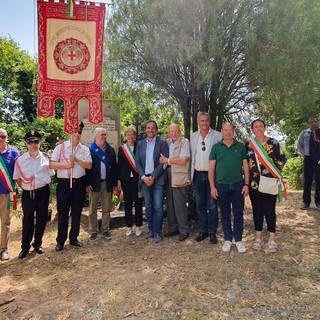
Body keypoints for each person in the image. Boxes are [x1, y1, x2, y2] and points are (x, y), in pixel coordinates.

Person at [50, 123, 92, 251]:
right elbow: (51, 164)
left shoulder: (84, 149)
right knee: (63, 213)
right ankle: (60, 241)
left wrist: (77, 160)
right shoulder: (61, 147)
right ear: (70, 132)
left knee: (77, 212)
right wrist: (67, 165)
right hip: (64, 183)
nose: (77, 134)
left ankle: (74, 238)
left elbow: (89, 165)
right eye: (75, 131)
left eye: (79, 132)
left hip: (78, 184)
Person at [246, 119, 286, 253]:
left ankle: (272, 239)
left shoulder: (274, 143)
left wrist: (275, 174)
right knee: (257, 210)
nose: (258, 128)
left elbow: (282, 159)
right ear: (252, 130)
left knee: (270, 210)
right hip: (254, 184)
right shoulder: (249, 144)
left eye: (260, 126)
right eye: (255, 127)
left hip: (270, 182)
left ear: (264, 127)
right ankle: (258, 238)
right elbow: (245, 162)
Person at [208, 123, 249, 253]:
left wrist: (246, 184)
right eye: (225, 130)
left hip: (238, 185)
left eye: (230, 130)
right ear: (222, 131)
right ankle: (227, 239)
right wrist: (212, 187)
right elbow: (211, 169)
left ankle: (238, 240)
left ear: (233, 131)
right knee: (225, 214)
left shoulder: (241, 147)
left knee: (238, 214)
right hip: (221, 185)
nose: (227, 132)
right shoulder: (216, 148)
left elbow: (246, 167)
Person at [13, 130, 54, 259]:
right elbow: (17, 178)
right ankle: (25, 247)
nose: (33, 144)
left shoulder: (46, 158)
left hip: (43, 192)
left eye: (36, 141)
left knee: (42, 219)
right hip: (28, 193)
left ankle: (37, 244)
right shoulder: (20, 160)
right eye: (30, 142)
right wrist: (26, 188)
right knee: (28, 220)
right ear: (26, 144)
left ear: (40, 143)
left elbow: (51, 174)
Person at [190, 112, 222, 244]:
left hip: (212, 176)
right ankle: (203, 231)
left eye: (206, 120)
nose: (204, 123)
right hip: (197, 175)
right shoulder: (193, 137)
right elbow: (192, 156)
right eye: (202, 121)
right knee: (200, 204)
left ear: (210, 121)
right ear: (198, 122)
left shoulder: (218, 136)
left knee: (212, 205)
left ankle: (212, 232)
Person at [136, 120, 169, 243]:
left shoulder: (163, 143)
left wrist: (153, 176)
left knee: (158, 207)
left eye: (153, 128)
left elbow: (163, 162)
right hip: (145, 180)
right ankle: (151, 229)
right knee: (148, 207)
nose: (150, 130)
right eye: (148, 128)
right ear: (145, 130)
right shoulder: (140, 144)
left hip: (158, 179)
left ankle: (157, 232)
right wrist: (144, 177)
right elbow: (137, 162)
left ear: (156, 130)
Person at [159, 123, 191, 241]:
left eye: (176, 131)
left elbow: (183, 160)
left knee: (180, 204)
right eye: (171, 131)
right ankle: (173, 228)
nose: (173, 133)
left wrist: (166, 160)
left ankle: (184, 230)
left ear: (180, 131)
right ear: (169, 132)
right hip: (167, 174)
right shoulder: (166, 142)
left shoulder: (184, 142)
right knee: (170, 203)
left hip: (179, 175)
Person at [86, 127, 117, 241]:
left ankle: (105, 229)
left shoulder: (110, 150)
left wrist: (114, 183)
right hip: (94, 184)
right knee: (92, 209)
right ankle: (94, 230)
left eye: (105, 135)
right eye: (101, 135)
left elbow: (114, 167)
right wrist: (87, 183)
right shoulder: (90, 149)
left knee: (106, 208)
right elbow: (87, 170)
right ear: (95, 136)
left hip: (107, 183)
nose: (104, 137)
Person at [117, 126, 143, 237]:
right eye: (128, 134)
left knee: (138, 202)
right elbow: (119, 166)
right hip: (126, 179)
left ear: (134, 135)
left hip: (137, 179)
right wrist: (118, 180)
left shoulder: (140, 146)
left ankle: (138, 226)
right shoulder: (122, 149)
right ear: (125, 136)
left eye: (132, 134)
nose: (130, 136)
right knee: (127, 203)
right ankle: (128, 226)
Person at [0, 128, 19, 261]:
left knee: (5, 222)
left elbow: (19, 173)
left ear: (7, 138)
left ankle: (3, 249)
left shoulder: (14, 153)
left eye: (2, 136)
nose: (0, 138)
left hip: (6, 194)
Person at [297, 117, 320, 209]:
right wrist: (305, 154)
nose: (313, 123)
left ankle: (318, 201)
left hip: (318, 159)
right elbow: (299, 145)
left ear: (318, 121)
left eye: (315, 121)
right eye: (312, 121)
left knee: (318, 180)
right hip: (308, 158)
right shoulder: (304, 133)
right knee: (307, 180)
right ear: (309, 122)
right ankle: (306, 201)